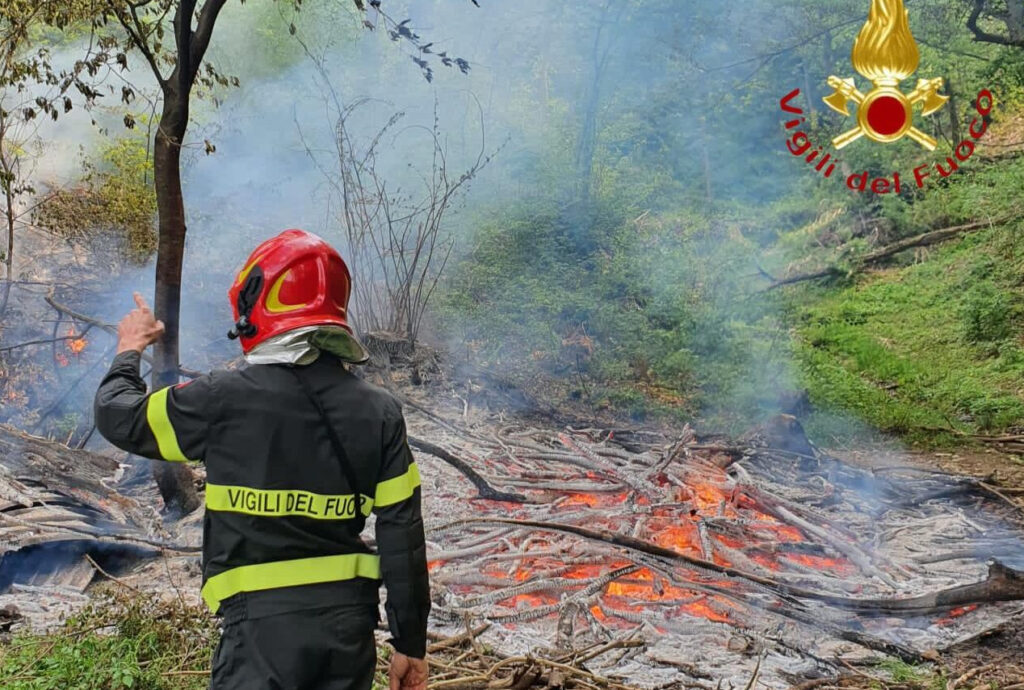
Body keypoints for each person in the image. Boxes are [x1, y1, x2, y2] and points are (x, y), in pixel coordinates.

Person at [94, 229, 430, 690]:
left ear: (257, 306)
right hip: (348, 635)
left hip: (259, 635)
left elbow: (119, 417)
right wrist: (410, 643)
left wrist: (131, 346)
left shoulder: (222, 398)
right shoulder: (380, 412)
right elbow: (404, 537)